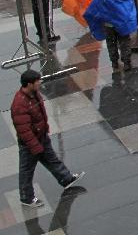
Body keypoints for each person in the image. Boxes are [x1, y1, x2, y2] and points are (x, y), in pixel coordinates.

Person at [12, 70, 84, 207]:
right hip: (30, 144)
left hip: (41, 137)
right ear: (29, 84)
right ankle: (26, 198)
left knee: (52, 159)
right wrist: (35, 146)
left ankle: (66, 179)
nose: (40, 83)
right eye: (37, 81)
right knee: (27, 171)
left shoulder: (34, 94)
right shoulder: (19, 104)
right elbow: (24, 130)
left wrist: (44, 130)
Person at [84, 0, 138, 72]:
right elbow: (129, 3)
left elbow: (95, 6)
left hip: (108, 24)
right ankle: (127, 62)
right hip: (122, 23)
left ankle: (114, 62)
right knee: (124, 41)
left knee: (111, 42)